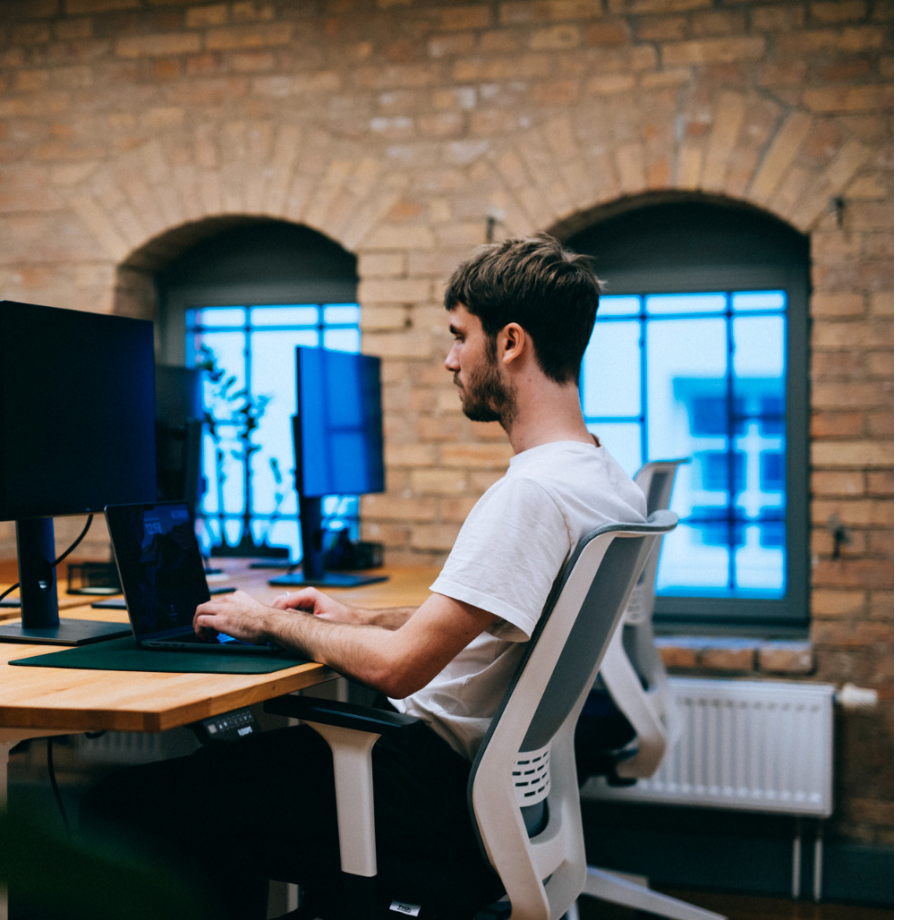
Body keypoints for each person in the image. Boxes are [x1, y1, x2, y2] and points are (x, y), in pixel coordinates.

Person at [81, 235, 646, 919]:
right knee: (222, 791)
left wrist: (268, 619)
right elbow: (485, 624)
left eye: (459, 336)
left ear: (511, 343)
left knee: (121, 806)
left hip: (429, 784)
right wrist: (358, 622)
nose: (448, 359)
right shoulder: (603, 477)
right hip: (486, 784)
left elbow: (403, 671)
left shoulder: (530, 496)